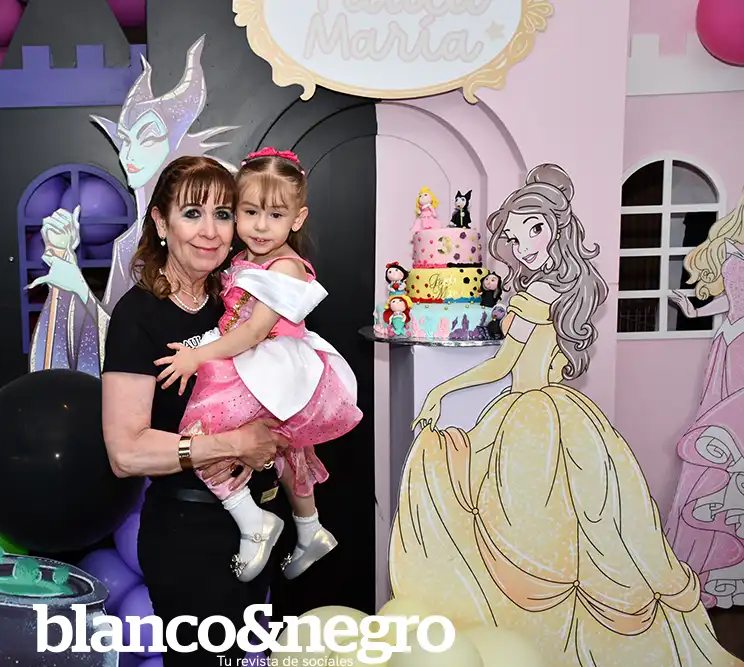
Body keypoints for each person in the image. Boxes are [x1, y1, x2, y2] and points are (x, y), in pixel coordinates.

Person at [389, 164, 744, 666]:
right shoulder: (571, 286)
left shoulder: (536, 293)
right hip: (570, 416)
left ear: (557, 227)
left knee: (530, 537)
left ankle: (540, 644)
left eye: (533, 230)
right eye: (515, 238)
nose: (524, 246)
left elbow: (502, 366)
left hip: (529, 419)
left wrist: (441, 391)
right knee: (589, 536)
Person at [102, 156, 291, 667]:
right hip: (187, 535)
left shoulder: (240, 303)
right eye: (192, 213)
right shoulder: (137, 316)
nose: (210, 231)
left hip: (260, 524)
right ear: (161, 223)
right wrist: (233, 445)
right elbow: (125, 452)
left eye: (223, 214)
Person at [155, 148, 361, 582]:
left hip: (267, 360)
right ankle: (309, 528)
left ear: (298, 219)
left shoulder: (284, 267)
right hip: (255, 358)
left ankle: (252, 520)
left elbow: (252, 331)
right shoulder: (246, 259)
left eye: (275, 215)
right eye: (250, 213)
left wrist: (198, 356)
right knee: (288, 448)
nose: (261, 226)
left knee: (202, 427)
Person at [665, 188, 744, 609]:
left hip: (735, 339)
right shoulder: (731, 248)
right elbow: (734, 299)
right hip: (734, 343)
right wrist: (695, 311)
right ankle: (715, 567)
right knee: (723, 432)